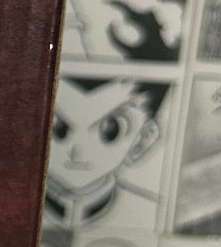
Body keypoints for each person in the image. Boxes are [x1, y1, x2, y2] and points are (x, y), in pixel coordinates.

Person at [43, 72, 165, 229]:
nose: (77, 151)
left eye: (110, 130)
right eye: (57, 127)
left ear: (144, 138)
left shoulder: (154, 213)